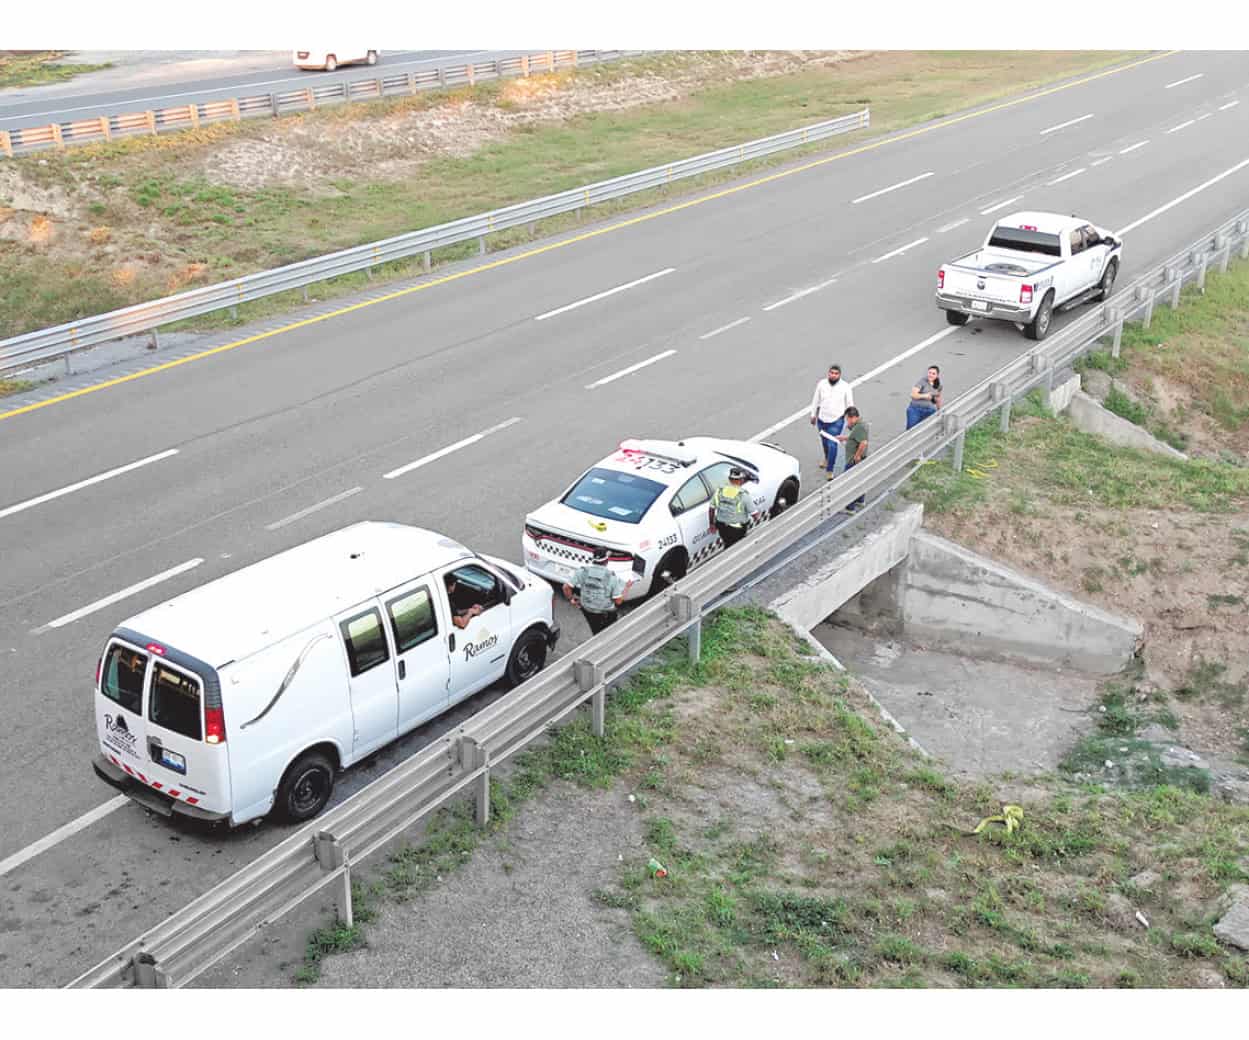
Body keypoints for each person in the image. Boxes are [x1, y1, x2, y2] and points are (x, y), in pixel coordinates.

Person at [563, 546, 632, 634]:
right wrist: (627, 587)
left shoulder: (583, 572)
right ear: (606, 561)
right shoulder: (611, 578)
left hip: (587, 610)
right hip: (606, 614)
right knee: (609, 633)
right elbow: (618, 601)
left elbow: (566, 587)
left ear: (594, 560)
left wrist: (571, 599)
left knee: (595, 630)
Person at [809, 363, 854, 476]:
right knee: (825, 443)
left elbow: (849, 404)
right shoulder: (821, 384)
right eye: (831, 373)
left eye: (836, 374)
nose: (833, 375)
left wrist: (851, 420)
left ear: (839, 375)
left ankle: (830, 470)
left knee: (833, 445)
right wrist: (813, 415)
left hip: (836, 421)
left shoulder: (845, 387)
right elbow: (816, 400)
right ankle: (827, 458)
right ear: (828, 373)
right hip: (822, 420)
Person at [711, 467, 760, 549]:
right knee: (738, 548)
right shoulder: (743, 495)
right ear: (741, 480)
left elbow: (711, 508)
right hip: (737, 530)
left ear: (730, 479)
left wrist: (711, 524)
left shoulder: (720, 491)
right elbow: (755, 515)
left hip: (722, 529)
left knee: (728, 545)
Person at [835, 407, 869, 512]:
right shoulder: (860, 425)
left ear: (853, 417)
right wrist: (845, 438)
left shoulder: (860, 427)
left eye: (847, 419)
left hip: (853, 460)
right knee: (859, 480)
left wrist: (857, 456)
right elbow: (855, 437)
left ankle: (850, 508)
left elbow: (863, 442)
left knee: (849, 483)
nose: (847, 422)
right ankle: (860, 500)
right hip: (857, 459)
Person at [906, 365, 943, 429]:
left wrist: (939, 410)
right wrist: (924, 396)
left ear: (937, 375)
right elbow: (913, 395)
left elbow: (938, 398)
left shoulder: (939, 385)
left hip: (929, 410)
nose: (930, 375)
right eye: (929, 373)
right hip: (915, 410)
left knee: (928, 429)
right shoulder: (922, 382)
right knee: (911, 430)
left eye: (933, 373)